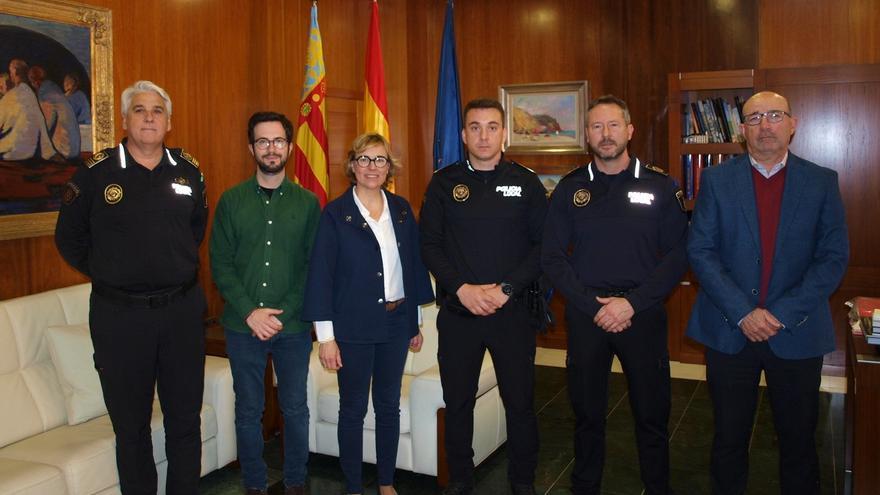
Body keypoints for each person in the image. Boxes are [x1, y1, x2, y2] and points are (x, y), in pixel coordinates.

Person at [686, 91, 849, 495]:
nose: (765, 125)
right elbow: (700, 250)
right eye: (754, 118)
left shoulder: (822, 181)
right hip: (729, 330)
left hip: (796, 331)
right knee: (728, 438)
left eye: (774, 115)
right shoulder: (718, 180)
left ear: (792, 124)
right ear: (742, 131)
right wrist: (745, 312)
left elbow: (832, 257)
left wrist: (778, 314)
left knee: (798, 442)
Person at [55, 80, 208, 495]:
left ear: (169, 122)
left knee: (184, 420)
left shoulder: (188, 170)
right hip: (119, 317)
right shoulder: (94, 173)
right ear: (125, 120)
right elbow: (68, 239)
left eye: (157, 111)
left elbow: (194, 229)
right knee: (131, 425)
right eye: (139, 110)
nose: (148, 118)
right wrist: (112, 271)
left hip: (180, 313)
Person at [541, 94, 687, 495]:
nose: (605, 135)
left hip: (642, 314)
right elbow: (552, 257)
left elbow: (679, 254)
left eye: (613, 126)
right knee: (587, 414)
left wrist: (633, 303)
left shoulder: (659, 185)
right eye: (597, 127)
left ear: (629, 130)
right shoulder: (571, 189)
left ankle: (657, 487)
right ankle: (584, 486)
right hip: (588, 317)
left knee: (651, 413)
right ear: (587, 135)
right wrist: (591, 305)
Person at [419, 98, 547, 495]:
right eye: (475, 127)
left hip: (513, 312)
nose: (484, 135)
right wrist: (462, 288)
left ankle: (522, 480)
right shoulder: (443, 183)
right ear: (464, 135)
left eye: (492, 127)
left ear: (505, 134)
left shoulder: (526, 182)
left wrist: (507, 289)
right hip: (460, 312)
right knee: (458, 403)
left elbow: (544, 247)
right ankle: (460, 478)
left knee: (520, 403)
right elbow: (430, 245)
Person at [303, 133, 434, 495]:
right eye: (364, 159)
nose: (371, 167)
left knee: (388, 406)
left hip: (396, 323)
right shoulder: (335, 213)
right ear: (352, 165)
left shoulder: (403, 209)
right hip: (353, 327)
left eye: (379, 160)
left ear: (389, 167)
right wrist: (326, 338)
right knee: (354, 408)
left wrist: (415, 322)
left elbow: (412, 266)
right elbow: (321, 277)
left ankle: (388, 482)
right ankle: (354, 486)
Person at [209, 111, 320, 495]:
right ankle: (254, 485)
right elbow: (220, 264)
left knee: (295, 409)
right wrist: (250, 311)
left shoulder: (308, 204)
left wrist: (281, 312)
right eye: (262, 142)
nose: (270, 149)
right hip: (243, 327)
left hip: (293, 328)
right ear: (251, 148)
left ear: (289, 147)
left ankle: (295, 482)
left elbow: (312, 266)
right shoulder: (231, 201)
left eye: (277, 141)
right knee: (248, 411)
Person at [0, 59, 56, 160]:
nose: (10, 75)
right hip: (30, 151)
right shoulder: (30, 94)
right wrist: (49, 152)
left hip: (12, 151)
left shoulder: (11, 96)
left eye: (10, 71)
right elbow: (41, 125)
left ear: (15, 72)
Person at [29, 66, 81, 159]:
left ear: (35, 82)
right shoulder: (53, 88)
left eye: (32, 82)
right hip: (73, 148)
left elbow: (47, 125)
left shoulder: (46, 94)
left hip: (64, 149)